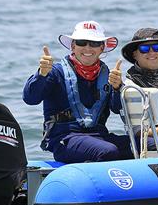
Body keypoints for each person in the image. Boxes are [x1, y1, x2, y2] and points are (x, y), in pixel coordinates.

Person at [23, 20, 133, 163]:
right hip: (64, 138)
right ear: (73, 46)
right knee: (108, 151)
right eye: (82, 42)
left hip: (99, 136)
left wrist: (118, 88)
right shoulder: (55, 72)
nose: (87, 48)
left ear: (102, 48)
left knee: (148, 145)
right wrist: (41, 74)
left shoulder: (109, 75)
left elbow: (117, 109)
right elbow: (30, 99)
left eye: (94, 43)